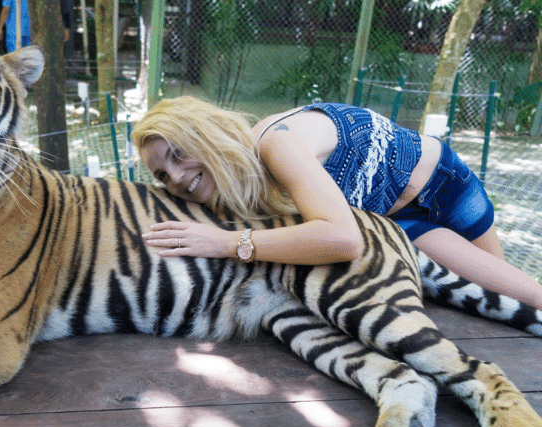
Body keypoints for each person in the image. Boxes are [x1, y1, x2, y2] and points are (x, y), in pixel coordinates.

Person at [132, 97, 542, 311]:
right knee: (506, 306)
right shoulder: (239, 192)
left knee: (529, 298)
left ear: (207, 135)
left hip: (444, 186)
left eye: (179, 154)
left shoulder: (273, 143)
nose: (178, 178)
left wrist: (226, 243)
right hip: (401, 227)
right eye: (162, 175)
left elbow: (344, 239)